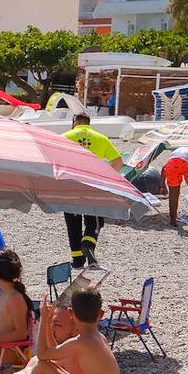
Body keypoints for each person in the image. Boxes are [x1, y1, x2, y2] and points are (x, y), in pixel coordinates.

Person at [60, 113, 123, 268]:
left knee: (73, 223)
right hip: (93, 184)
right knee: (95, 220)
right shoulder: (101, 138)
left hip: (71, 184)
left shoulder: (63, 137)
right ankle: (88, 241)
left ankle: (77, 259)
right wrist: (107, 177)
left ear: (74, 122)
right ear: (89, 123)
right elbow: (118, 162)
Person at [162, 146, 188, 227]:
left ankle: (173, 221)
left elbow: (164, 168)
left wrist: (162, 184)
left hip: (173, 163)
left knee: (173, 195)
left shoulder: (176, 152)